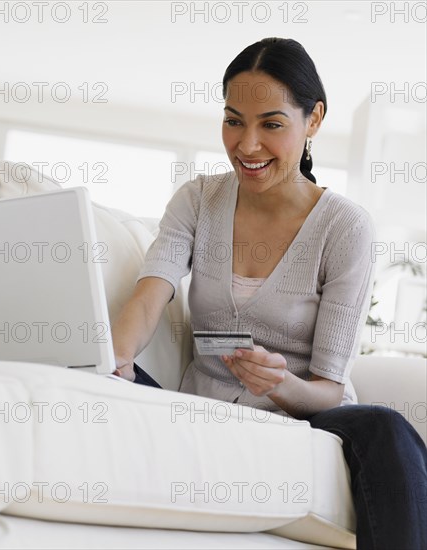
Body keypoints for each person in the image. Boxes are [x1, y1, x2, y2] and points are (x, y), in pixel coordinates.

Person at [111, 37, 427, 549]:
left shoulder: (345, 227)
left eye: (271, 124)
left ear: (314, 121)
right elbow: (151, 294)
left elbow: (327, 386)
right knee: (97, 379)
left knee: (385, 429)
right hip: (200, 411)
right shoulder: (197, 200)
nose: (247, 145)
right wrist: (115, 360)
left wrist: (279, 384)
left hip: (305, 414)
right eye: (234, 120)